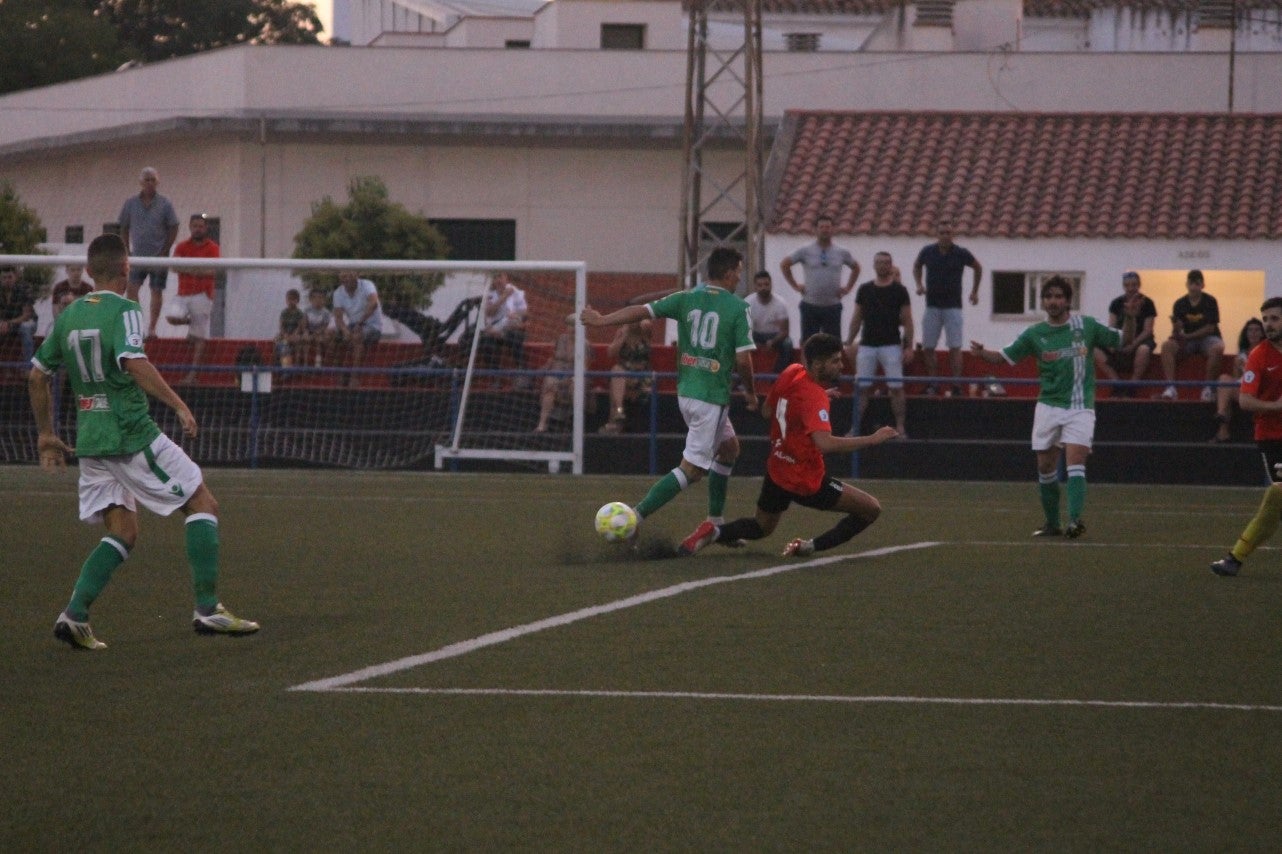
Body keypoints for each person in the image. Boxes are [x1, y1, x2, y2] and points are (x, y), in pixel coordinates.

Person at [29, 233, 259, 651]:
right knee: (202, 501)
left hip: (91, 441)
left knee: (124, 530)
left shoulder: (68, 315)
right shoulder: (127, 309)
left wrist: (46, 434)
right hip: (129, 433)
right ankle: (208, 609)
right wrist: (178, 404)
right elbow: (134, 362)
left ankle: (75, 615)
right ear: (126, 269)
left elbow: (36, 375)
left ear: (87, 271)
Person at [581, 246, 757, 528]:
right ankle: (633, 518)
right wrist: (750, 392)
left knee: (729, 450)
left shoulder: (686, 298)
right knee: (693, 470)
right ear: (727, 273)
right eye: (738, 271)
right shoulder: (739, 308)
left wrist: (602, 320)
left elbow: (641, 310)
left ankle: (714, 522)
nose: (740, 277)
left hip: (686, 392)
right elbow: (743, 360)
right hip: (711, 398)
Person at [677, 333, 898, 558]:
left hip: (778, 469)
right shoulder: (814, 397)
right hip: (805, 480)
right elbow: (825, 444)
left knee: (761, 527)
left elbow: (766, 411)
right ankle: (808, 546)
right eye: (835, 360)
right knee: (871, 509)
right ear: (819, 363)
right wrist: (872, 438)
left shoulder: (792, 371)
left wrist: (810, 403)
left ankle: (713, 532)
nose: (841, 365)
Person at [969, 276, 1121, 539]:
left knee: (1075, 461)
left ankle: (1075, 521)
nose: (1053, 301)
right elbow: (1003, 358)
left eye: (1058, 296)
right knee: (1045, 468)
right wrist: (983, 353)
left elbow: (1120, 340)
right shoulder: (1034, 334)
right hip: (1048, 406)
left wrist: (1128, 318)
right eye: (1048, 296)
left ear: (1068, 300)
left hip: (1080, 407)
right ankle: (1052, 523)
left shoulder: (1086, 326)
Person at [1210, 298, 1282, 577]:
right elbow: (1245, 400)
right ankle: (1235, 557)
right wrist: (1277, 407)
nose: (1268, 325)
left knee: (1276, 503)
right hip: (1273, 439)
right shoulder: (1259, 356)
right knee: (1278, 495)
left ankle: (1234, 559)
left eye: (1274, 319)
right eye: (1266, 320)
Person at [846, 250, 913, 438]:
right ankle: (855, 427)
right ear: (874, 265)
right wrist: (849, 340)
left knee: (896, 388)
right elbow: (856, 317)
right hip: (867, 345)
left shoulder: (900, 291)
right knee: (862, 388)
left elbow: (908, 320)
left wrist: (908, 346)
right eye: (879, 262)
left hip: (891, 345)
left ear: (890, 266)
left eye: (886, 262)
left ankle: (900, 427)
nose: (882, 265)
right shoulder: (864, 289)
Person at [912, 219, 982, 397]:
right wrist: (919, 284)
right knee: (928, 346)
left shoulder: (960, 253)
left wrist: (974, 291)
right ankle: (933, 384)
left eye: (948, 233)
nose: (945, 236)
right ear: (937, 234)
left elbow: (977, 267)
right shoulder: (928, 251)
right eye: (942, 232)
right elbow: (917, 266)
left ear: (953, 234)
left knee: (955, 346)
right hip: (932, 306)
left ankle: (957, 385)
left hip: (953, 307)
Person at [118, 166, 179, 339]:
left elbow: (174, 226)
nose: (150, 183)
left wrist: (165, 250)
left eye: (153, 179)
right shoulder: (131, 203)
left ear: (157, 182)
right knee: (132, 289)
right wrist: (127, 250)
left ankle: (152, 328)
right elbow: (123, 226)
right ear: (141, 182)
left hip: (158, 255)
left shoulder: (165, 203)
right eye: (147, 179)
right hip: (137, 255)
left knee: (156, 290)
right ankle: (137, 324)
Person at [779, 214, 860, 342]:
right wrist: (795, 285)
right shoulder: (805, 250)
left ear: (832, 229)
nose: (825, 229)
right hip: (810, 305)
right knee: (808, 343)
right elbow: (785, 264)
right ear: (815, 230)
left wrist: (848, 288)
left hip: (832, 306)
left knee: (833, 343)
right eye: (821, 227)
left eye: (828, 227)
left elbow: (856, 268)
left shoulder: (842, 252)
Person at [167, 213, 219, 385]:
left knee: (199, 336)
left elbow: (212, 271)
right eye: (195, 226)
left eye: (201, 226)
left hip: (202, 295)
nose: (198, 229)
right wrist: (197, 269)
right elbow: (174, 267)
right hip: (183, 294)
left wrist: (187, 268)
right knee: (172, 317)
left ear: (206, 228)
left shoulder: (212, 247)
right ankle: (191, 322)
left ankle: (193, 375)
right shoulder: (182, 246)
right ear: (190, 227)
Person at [1157, 269, 1224, 402]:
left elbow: (1210, 328)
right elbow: (1178, 331)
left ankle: (1208, 389)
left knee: (1218, 347)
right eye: (1191, 283)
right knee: (1166, 346)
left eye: (1197, 283)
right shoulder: (1179, 304)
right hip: (1187, 340)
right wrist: (1176, 327)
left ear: (1202, 285)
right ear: (1186, 284)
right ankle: (1171, 388)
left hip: (1207, 339)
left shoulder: (1210, 301)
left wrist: (1187, 336)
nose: (1194, 287)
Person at [1094, 271, 1157, 397]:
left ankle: (1133, 386)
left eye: (1133, 285)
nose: (1130, 289)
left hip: (1140, 340)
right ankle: (1117, 383)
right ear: (1123, 286)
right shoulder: (1116, 303)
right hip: (1121, 339)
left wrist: (1133, 345)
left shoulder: (1148, 303)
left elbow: (1148, 330)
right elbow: (1111, 327)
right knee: (1093, 348)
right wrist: (1113, 343)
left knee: (1144, 349)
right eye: (1127, 285)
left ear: (1139, 285)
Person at [1211, 317, 1265, 443]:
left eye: (1257, 330)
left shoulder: (1268, 352)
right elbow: (1236, 379)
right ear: (1246, 334)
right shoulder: (1241, 354)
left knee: (1224, 390)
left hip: (1260, 392)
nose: (1253, 333)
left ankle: (1222, 426)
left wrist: (1248, 369)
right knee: (1224, 380)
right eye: (1250, 330)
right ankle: (1222, 417)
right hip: (1244, 389)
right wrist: (1240, 367)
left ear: (1262, 333)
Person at [598, 317, 653, 434]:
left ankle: (614, 422)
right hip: (625, 374)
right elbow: (610, 353)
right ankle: (619, 412)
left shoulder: (645, 329)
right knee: (617, 371)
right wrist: (622, 337)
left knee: (616, 384)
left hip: (642, 375)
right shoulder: (622, 333)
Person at [534, 314, 585, 434]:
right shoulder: (561, 339)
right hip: (557, 373)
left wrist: (571, 377)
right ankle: (542, 423)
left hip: (574, 375)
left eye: (574, 326)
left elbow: (585, 367)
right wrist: (544, 368)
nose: (572, 328)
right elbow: (553, 358)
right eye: (570, 325)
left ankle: (576, 424)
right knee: (550, 383)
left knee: (575, 385)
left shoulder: (584, 344)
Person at [332, 271, 384, 387]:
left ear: (356, 275)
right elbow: (338, 317)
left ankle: (355, 377)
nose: (347, 278)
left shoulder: (367, 285)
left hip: (372, 326)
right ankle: (340, 374)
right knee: (330, 335)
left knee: (357, 337)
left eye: (350, 275)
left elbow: (373, 303)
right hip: (352, 326)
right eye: (344, 275)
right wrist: (345, 331)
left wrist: (360, 323)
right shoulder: (338, 293)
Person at [478, 272, 528, 386]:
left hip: (512, 328)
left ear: (505, 277)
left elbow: (525, 313)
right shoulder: (490, 294)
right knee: (486, 343)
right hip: (494, 330)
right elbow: (489, 313)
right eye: (495, 277)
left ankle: (522, 373)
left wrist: (515, 315)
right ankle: (495, 376)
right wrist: (503, 297)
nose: (498, 280)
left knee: (514, 337)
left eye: (500, 276)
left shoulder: (516, 293)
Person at [744, 270, 794, 373]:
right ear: (755, 287)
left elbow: (785, 331)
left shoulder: (780, 304)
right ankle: (739, 378)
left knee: (788, 344)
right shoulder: (748, 302)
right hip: (755, 335)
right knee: (737, 344)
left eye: (766, 284)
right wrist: (751, 342)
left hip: (775, 336)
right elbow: (743, 329)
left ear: (771, 285)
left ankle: (777, 377)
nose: (763, 288)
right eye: (760, 285)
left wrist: (773, 341)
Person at [0, 265, 37, 369]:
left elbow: (27, 315)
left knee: (25, 328)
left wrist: (9, 323)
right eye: (4, 277)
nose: (7, 280)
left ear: (15, 277)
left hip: (26, 322)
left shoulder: (24, 289)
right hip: (5, 324)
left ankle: (28, 368)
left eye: (10, 277)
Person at [301, 287, 334, 367]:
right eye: (315, 298)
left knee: (319, 341)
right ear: (311, 300)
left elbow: (325, 326)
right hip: (309, 332)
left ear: (324, 300)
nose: (318, 300)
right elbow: (304, 324)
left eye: (320, 298)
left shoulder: (325, 312)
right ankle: (306, 364)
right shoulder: (307, 310)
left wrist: (318, 332)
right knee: (306, 341)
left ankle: (318, 363)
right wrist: (305, 332)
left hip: (320, 332)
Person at [274, 288, 306, 369]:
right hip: (285, 333)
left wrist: (293, 335)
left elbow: (300, 327)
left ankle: (297, 366)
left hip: (295, 333)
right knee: (276, 340)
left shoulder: (299, 313)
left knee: (298, 341)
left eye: (293, 299)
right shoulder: (284, 312)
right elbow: (281, 326)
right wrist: (285, 334)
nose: (290, 301)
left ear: (297, 301)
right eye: (288, 299)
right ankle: (278, 364)